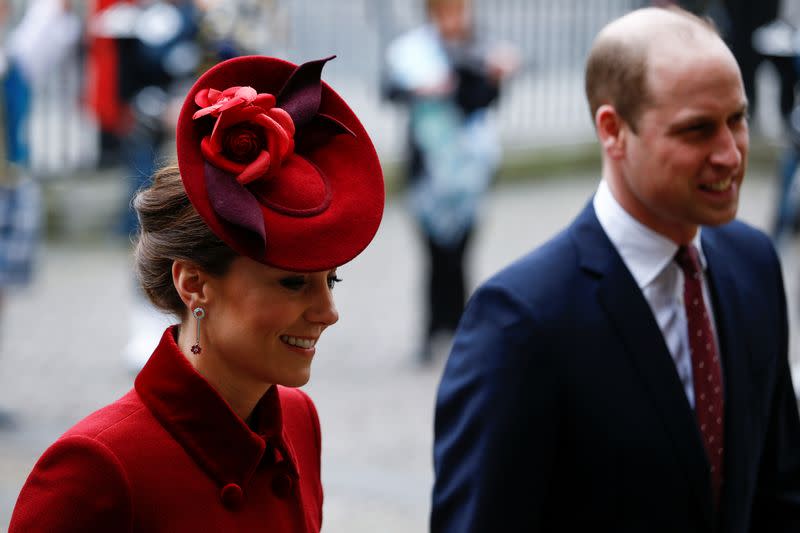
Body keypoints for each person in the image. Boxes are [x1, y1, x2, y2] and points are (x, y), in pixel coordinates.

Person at [431, 6, 800, 532]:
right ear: (613, 130)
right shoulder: (522, 321)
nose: (730, 154)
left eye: (737, 119)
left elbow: (777, 489)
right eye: (697, 130)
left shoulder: (753, 263)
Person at [9, 54, 384, 531]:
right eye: (293, 282)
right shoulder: (96, 470)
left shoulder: (296, 420)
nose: (328, 313)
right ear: (193, 283)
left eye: (330, 280)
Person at [384, 0, 518, 363]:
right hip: (428, 169)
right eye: (446, 11)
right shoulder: (412, 52)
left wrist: (494, 77)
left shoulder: (479, 53)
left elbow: (482, 101)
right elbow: (390, 90)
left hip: (469, 173)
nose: (454, 19)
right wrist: (422, 91)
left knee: (461, 255)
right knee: (432, 255)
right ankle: (431, 329)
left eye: (459, 11)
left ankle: (459, 329)